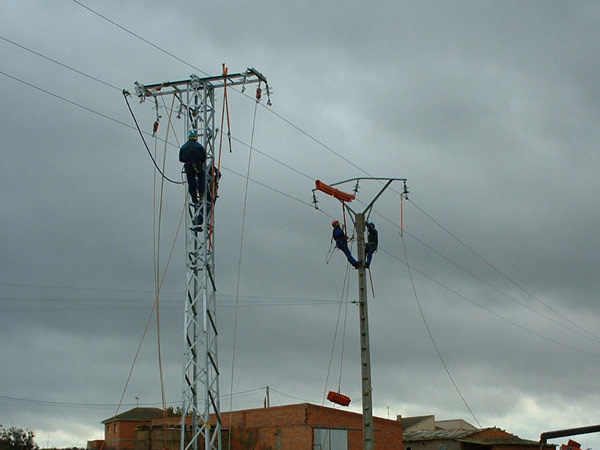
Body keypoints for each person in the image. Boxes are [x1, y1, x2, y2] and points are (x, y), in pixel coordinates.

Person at [179, 130, 207, 205]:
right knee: (201, 176)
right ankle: (201, 192)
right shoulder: (199, 146)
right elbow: (204, 157)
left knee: (191, 182)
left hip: (188, 167)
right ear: (195, 138)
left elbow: (181, 159)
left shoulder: (184, 147)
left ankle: (194, 199)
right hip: (198, 165)